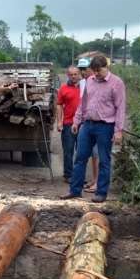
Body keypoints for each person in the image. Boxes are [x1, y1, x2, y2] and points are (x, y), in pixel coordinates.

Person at [61, 56, 126, 203]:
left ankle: (101, 193)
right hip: (87, 125)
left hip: (105, 126)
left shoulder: (116, 83)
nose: (96, 74)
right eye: (94, 71)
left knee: (104, 160)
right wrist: (76, 122)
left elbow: (120, 108)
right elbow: (82, 103)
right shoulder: (89, 81)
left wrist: (118, 130)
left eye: (99, 71)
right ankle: (75, 190)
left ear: (106, 67)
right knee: (80, 157)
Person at [56, 66, 82, 183]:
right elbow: (59, 105)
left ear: (79, 74)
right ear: (67, 75)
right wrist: (59, 121)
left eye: (75, 74)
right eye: (71, 74)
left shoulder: (85, 87)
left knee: (82, 152)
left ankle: (78, 176)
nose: (73, 76)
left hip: (83, 124)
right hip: (68, 124)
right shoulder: (63, 88)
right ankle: (68, 175)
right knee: (68, 150)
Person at [77, 58, 99, 192]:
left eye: (85, 69)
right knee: (90, 153)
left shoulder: (99, 82)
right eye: (81, 69)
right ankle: (93, 179)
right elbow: (83, 103)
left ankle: (97, 182)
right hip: (86, 121)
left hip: (99, 122)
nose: (83, 72)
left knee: (98, 154)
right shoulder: (83, 83)